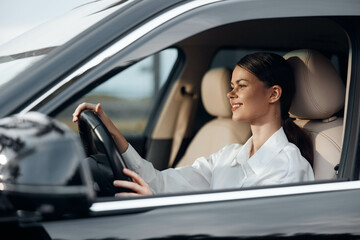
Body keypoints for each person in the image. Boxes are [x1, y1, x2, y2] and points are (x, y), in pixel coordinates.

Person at [72, 52, 315, 197]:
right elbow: (160, 182)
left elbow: (240, 229)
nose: (230, 94)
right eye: (231, 86)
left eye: (241, 86)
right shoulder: (228, 156)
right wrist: (111, 130)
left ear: (273, 94)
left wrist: (156, 211)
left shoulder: (288, 166)